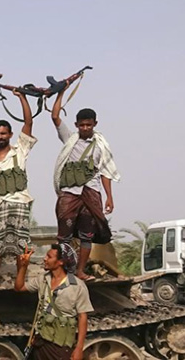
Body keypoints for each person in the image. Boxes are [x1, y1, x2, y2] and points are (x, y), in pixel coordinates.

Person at [51, 83, 120, 281]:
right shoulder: (70, 139)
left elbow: (105, 171)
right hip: (70, 192)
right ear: (76, 125)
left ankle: (80, 271)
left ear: (94, 124)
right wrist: (61, 92)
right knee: (64, 233)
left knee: (86, 235)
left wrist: (109, 197)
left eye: (88, 125)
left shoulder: (100, 146)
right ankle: (64, 270)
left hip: (91, 191)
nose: (85, 128)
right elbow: (55, 117)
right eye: (81, 125)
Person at [0, 90, 37, 288]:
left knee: (22, 243)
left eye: (3, 133)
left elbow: (28, 123)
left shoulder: (19, 150)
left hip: (19, 202)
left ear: (10, 134)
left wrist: (22, 97)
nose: (0, 137)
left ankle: (22, 279)